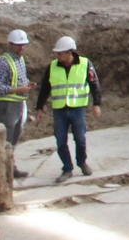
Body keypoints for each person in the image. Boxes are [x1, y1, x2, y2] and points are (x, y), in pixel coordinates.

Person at [34, 35, 101, 183]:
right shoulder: (52, 66)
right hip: (59, 110)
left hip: (77, 109)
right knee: (60, 141)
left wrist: (96, 104)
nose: (57, 56)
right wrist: (39, 107)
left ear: (69, 52)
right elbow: (45, 88)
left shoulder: (85, 64)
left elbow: (94, 84)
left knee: (80, 139)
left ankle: (82, 162)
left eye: (60, 53)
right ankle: (67, 168)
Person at [0, 28, 32, 180]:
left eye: (23, 45)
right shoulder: (3, 61)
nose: (21, 48)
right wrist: (17, 89)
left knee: (14, 138)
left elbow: (19, 78)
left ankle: (11, 167)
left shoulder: (19, 59)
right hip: (5, 106)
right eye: (18, 45)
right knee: (5, 140)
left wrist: (26, 85)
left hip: (18, 104)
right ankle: (3, 171)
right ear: (10, 44)